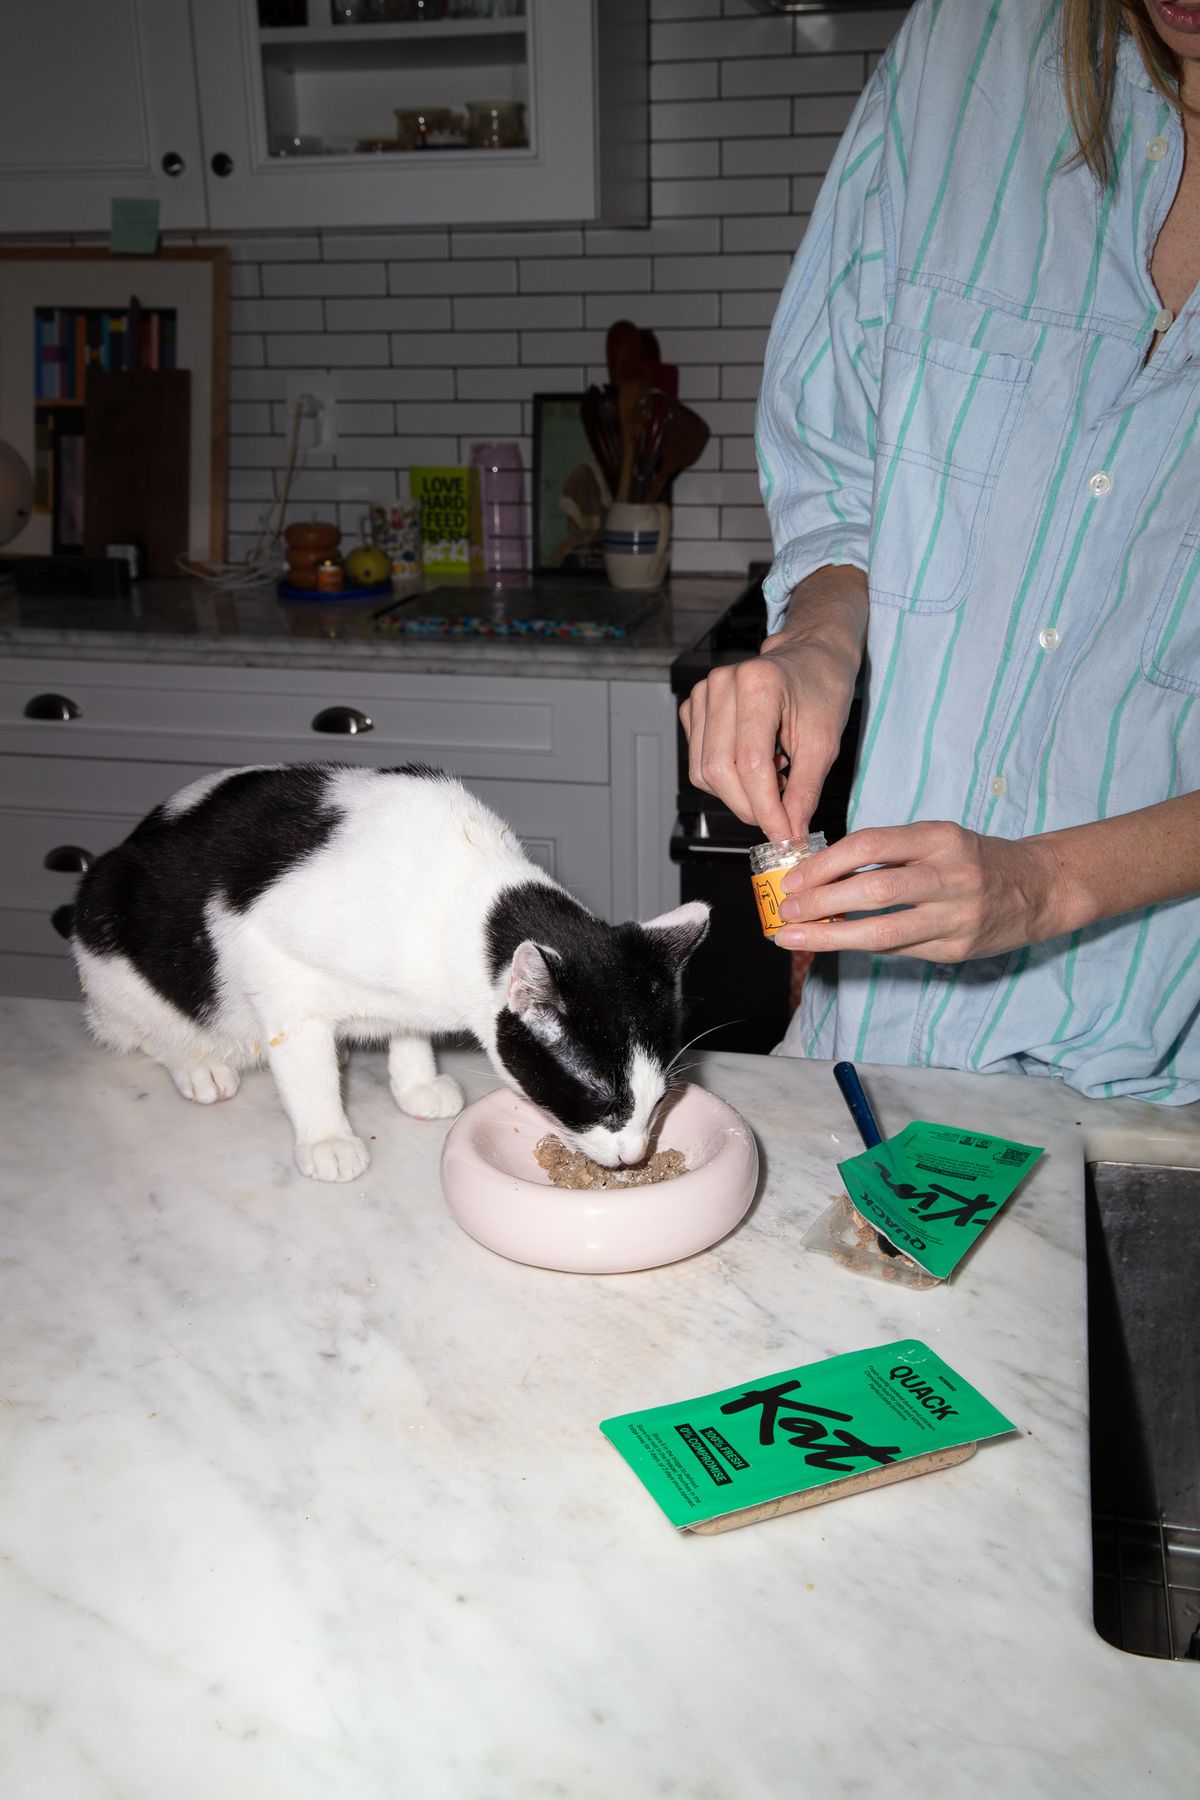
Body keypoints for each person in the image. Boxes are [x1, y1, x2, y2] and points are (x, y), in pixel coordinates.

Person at [682, 0, 1200, 1104]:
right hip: (877, 1044)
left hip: (1164, 1088)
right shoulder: (963, 46)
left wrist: (1050, 886)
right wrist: (820, 634)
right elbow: (843, 471)